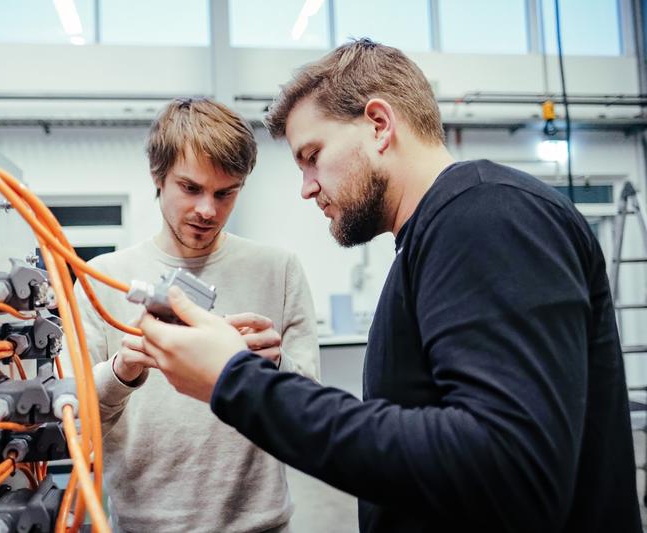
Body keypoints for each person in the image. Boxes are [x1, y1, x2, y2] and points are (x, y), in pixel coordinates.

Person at [134, 40, 641, 532]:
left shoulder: (488, 217)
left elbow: (511, 471)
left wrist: (236, 380)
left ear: (379, 125)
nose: (306, 186)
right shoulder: (434, 240)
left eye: (312, 155)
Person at [73, 97, 320, 532]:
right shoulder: (104, 279)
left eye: (225, 193)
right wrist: (122, 371)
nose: (208, 210)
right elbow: (73, 419)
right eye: (191, 188)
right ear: (158, 176)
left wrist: (275, 368)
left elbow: (313, 415)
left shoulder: (278, 270)